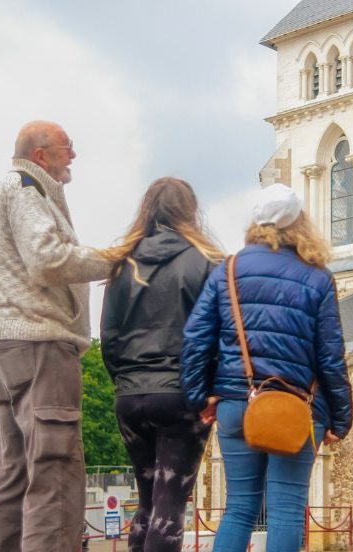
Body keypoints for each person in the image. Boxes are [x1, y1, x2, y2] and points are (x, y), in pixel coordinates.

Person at [181, 184, 353, 552]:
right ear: (300, 224)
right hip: (298, 406)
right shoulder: (318, 278)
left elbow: (195, 338)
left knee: (239, 507)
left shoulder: (228, 271)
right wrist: (341, 419)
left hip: (236, 403)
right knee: (288, 510)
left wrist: (200, 397)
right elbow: (330, 357)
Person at [0, 121, 110, 552]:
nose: (73, 156)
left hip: (4, 342)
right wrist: (115, 259)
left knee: (14, 470)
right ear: (40, 154)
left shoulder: (13, 190)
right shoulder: (26, 190)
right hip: (36, 340)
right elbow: (48, 260)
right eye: (68, 148)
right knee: (54, 465)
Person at [99, 178, 226, 552]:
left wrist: (124, 382)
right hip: (181, 395)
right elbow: (220, 334)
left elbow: (109, 337)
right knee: (170, 505)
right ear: (191, 210)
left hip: (130, 396)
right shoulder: (208, 261)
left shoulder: (123, 262)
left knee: (147, 502)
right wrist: (213, 390)